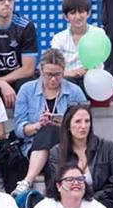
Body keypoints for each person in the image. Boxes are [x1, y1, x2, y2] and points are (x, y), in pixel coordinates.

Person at [9, 49, 90, 197]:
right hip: (33, 145)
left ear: (64, 71)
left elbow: (86, 124)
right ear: (41, 71)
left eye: (58, 75)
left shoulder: (75, 91)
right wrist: (37, 125)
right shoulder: (26, 90)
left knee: (52, 131)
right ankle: (53, 197)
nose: (53, 79)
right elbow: (19, 128)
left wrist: (65, 125)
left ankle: (27, 181)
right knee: (47, 132)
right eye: (48, 75)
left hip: (67, 144)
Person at [48, 103, 113, 208]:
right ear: (68, 126)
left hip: (105, 201)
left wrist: (91, 199)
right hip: (70, 202)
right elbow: (57, 185)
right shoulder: (56, 152)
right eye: (78, 121)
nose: (83, 126)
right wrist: (78, 201)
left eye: (87, 121)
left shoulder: (107, 146)